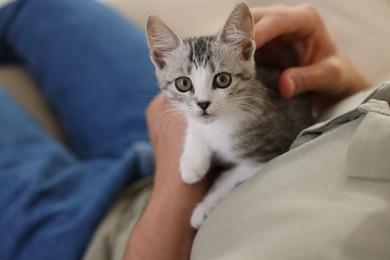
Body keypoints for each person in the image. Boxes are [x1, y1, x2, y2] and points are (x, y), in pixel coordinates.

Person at [0, 1, 373, 260]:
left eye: (220, 80)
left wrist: (173, 191)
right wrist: (354, 91)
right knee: (39, 7)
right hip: (174, 127)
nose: (204, 99)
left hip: (102, 232)